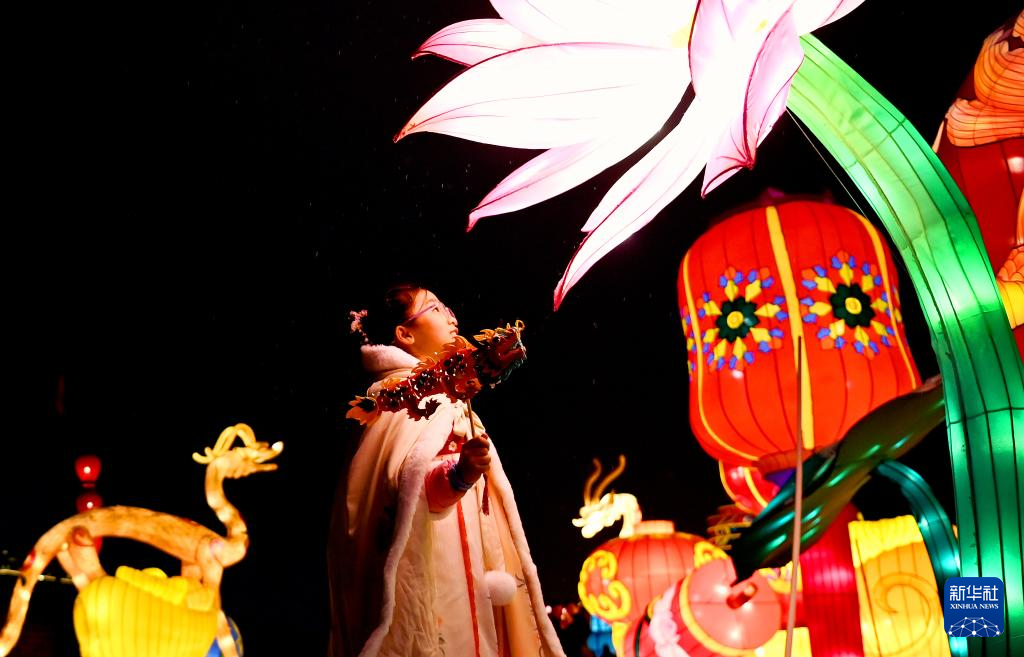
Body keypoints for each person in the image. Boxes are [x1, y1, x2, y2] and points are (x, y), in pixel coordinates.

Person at [328, 284, 565, 657]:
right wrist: (461, 475)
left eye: (448, 307)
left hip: (469, 563)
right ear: (405, 333)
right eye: (436, 309)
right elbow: (407, 492)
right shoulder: (396, 403)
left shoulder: (445, 398)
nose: (451, 316)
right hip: (439, 563)